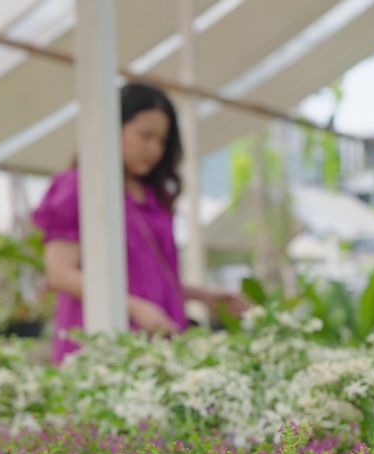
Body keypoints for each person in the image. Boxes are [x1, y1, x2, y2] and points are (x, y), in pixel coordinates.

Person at [32, 82, 251, 364]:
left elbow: (146, 277)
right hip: (101, 340)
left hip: (159, 339)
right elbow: (60, 273)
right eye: (145, 135)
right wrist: (133, 308)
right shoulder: (79, 186)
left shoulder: (152, 196)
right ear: (113, 126)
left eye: (162, 141)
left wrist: (204, 295)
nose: (153, 149)